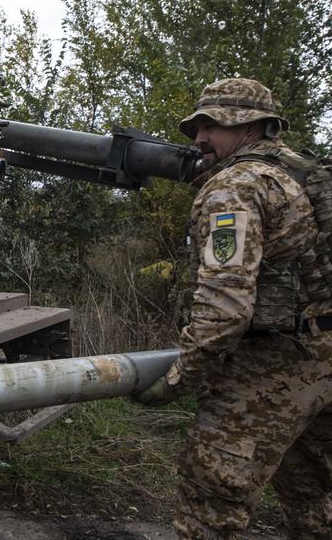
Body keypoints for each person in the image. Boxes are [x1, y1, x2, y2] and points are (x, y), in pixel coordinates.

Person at [135, 78, 332, 538]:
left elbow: (225, 308)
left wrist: (181, 378)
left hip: (272, 366)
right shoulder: (309, 175)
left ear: (253, 127)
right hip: (324, 357)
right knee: (311, 496)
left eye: (213, 125)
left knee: (211, 502)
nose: (200, 138)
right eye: (197, 126)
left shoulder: (234, 188)